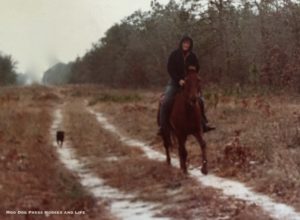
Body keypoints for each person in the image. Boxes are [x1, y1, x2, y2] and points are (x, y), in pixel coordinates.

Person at [159, 35, 215, 134]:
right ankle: (163, 126)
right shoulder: (174, 54)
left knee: (200, 100)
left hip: (189, 84)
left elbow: (197, 68)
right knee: (166, 101)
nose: (186, 45)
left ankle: (203, 123)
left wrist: (192, 73)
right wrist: (179, 80)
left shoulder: (193, 56)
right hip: (175, 83)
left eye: (188, 43)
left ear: (190, 45)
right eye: (184, 43)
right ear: (181, 43)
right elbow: (170, 69)